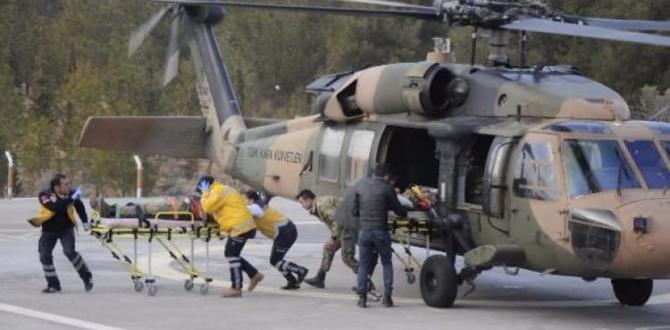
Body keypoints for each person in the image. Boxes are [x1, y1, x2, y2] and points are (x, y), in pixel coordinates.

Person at [197, 176, 263, 298]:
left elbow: (207, 207)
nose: (202, 192)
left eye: (202, 189)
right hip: (242, 226)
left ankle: (236, 288)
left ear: (206, 185)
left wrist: (205, 194)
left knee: (231, 255)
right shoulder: (222, 189)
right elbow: (225, 211)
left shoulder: (217, 191)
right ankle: (254, 274)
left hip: (240, 227)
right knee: (232, 254)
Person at [353, 164, 407, 308]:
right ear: (386, 176)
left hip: (364, 232)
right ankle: (387, 297)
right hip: (380, 232)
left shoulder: (361, 187)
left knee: (363, 264)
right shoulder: (387, 188)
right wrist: (404, 211)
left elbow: (354, 212)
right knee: (386, 263)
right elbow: (399, 210)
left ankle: (362, 298)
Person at [28, 173, 93, 293]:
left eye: (69, 184)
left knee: (69, 252)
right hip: (48, 230)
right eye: (66, 184)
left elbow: (80, 207)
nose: (69, 186)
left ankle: (86, 276)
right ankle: (54, 285)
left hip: (66, 229)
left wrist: (85, 222)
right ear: (57, 187)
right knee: (44, 256)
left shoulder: (72, 194)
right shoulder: (44, 195)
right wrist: (71, 199)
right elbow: (55, 207)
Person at [243, 190, 308, 289]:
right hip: (285, 231)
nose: (242, 201)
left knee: (275, 260)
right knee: (276, 260)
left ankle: (300, 270)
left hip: (285, 232)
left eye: (244, 199)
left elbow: (243, 209)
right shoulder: (258, 205)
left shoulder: (256, 208)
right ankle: (292, 281)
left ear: (251, 200)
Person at [296, 189, 357, 288]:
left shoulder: (322, 205)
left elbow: (338, 219)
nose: (302, 206)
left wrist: (333, 238)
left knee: (347, 258)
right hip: (343, 229)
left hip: (348, 228)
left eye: (302, 202)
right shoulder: (318, 204)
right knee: (328, 248)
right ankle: (320, 278)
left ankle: (366, 282)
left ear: (308, 199)